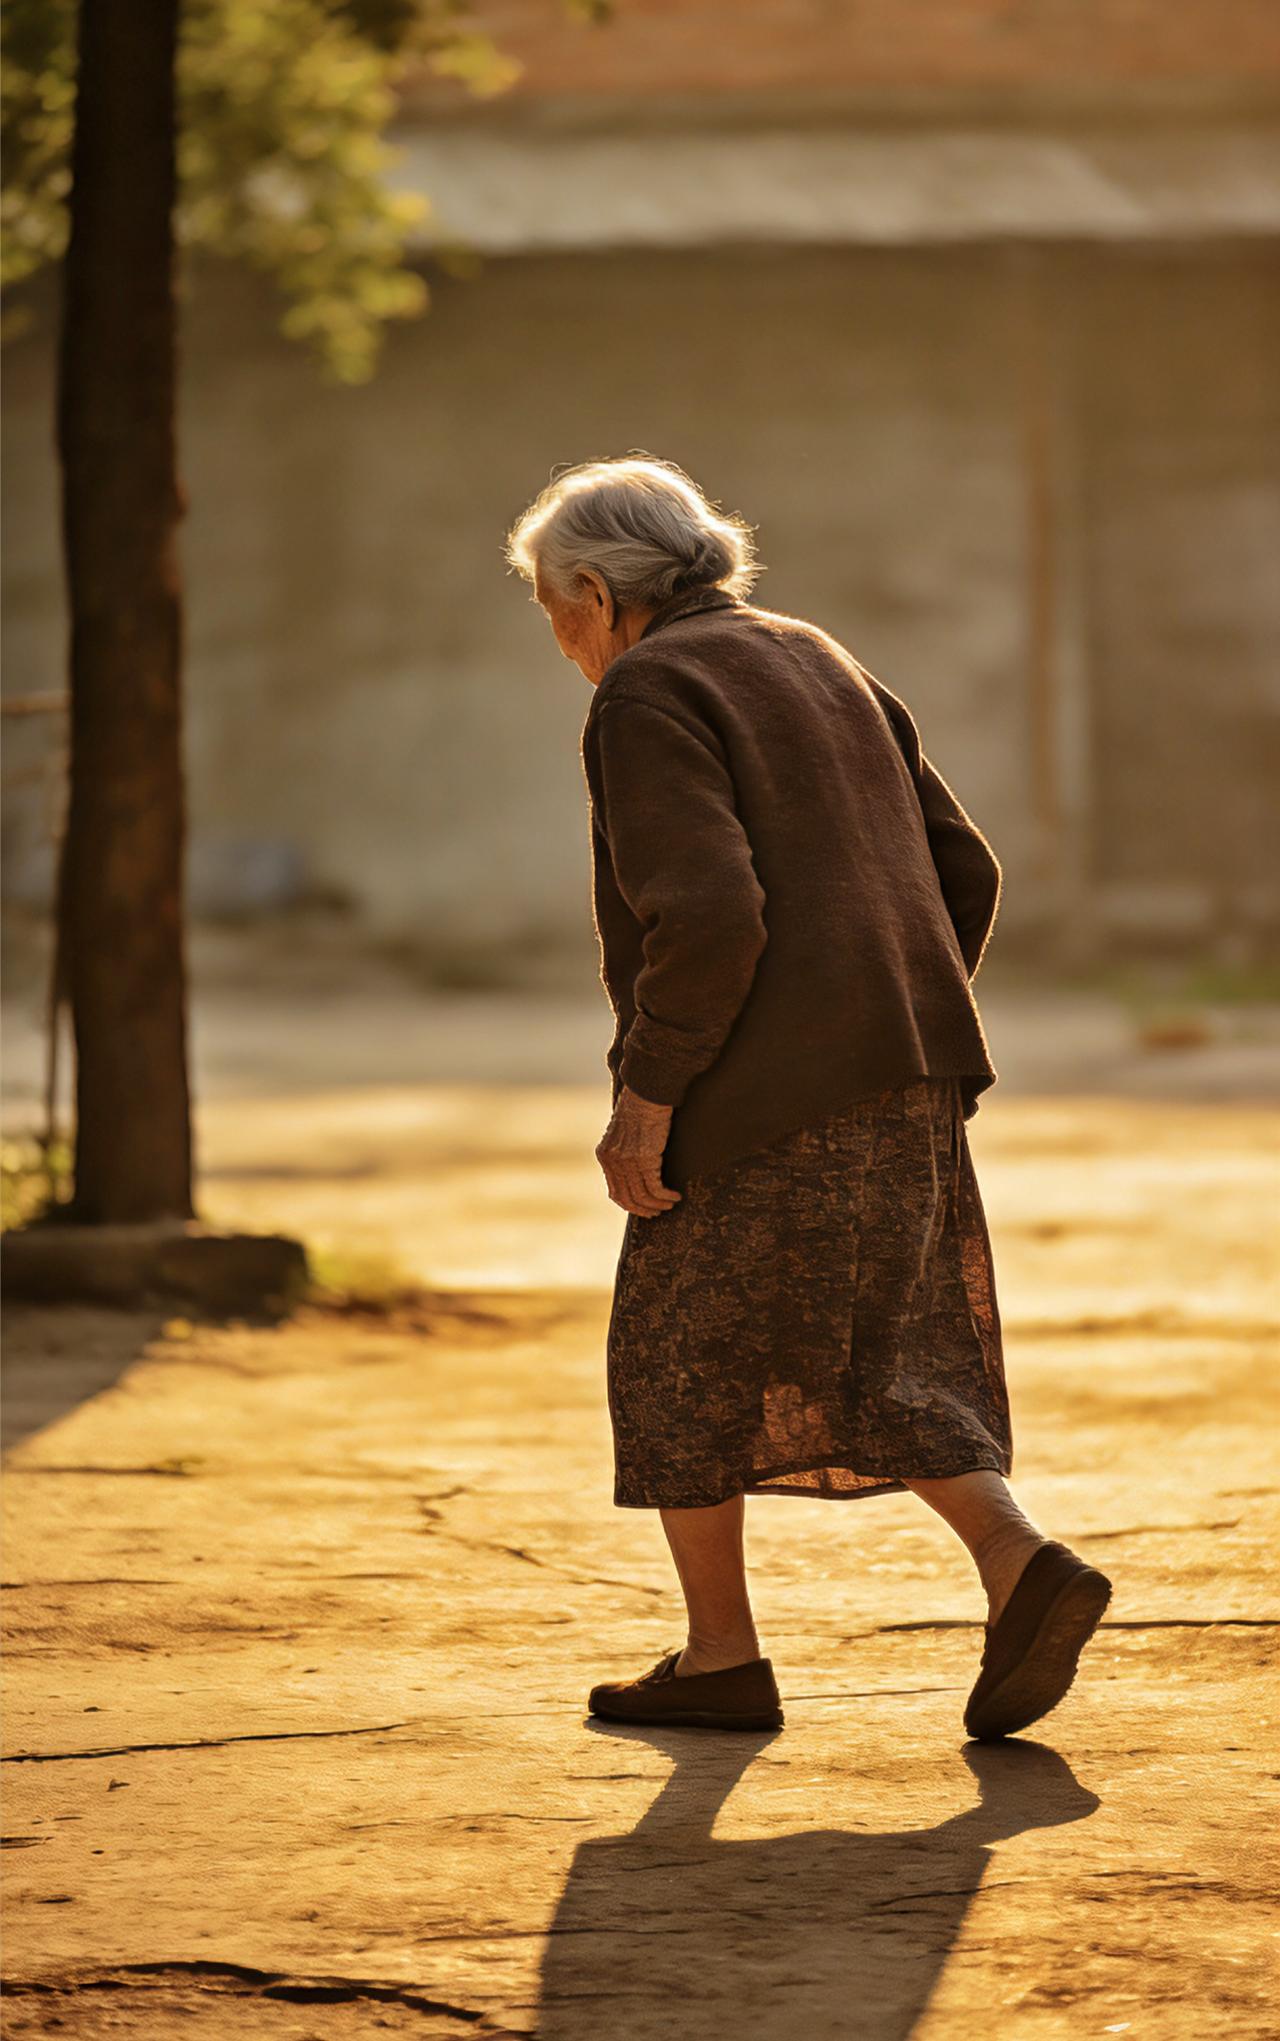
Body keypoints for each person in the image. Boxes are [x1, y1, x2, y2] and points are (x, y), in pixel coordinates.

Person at [505, 455, 1112, 1741]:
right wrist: (885, 1015)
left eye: (556, 612)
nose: (559, 642)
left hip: (759, 1095)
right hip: (904, 1074)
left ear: (603, 594)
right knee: (880, 1344)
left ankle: (730, 1653)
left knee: (678, 1358)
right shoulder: (812, 653)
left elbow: (710, 913)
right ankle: (997, 1571)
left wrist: (648, 1098)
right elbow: (965, 868)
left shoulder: (649, 689)